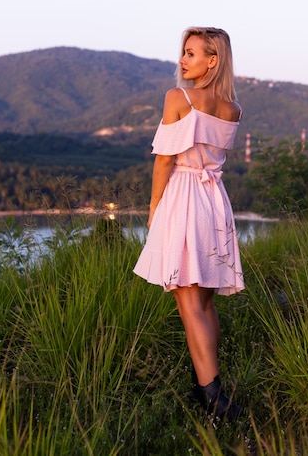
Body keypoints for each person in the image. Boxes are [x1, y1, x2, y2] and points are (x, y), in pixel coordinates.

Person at [133, 27, 245, 420]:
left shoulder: (178, 98)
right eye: (183, 52)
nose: (182, 60)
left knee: (187, 301)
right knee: (205, 299)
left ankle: (213, 397)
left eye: (191, 53)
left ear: (212, 60)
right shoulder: (233, 109)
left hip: (184, 197)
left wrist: (154, 206)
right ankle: (208, 383)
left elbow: (165, 159)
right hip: (215, 201)